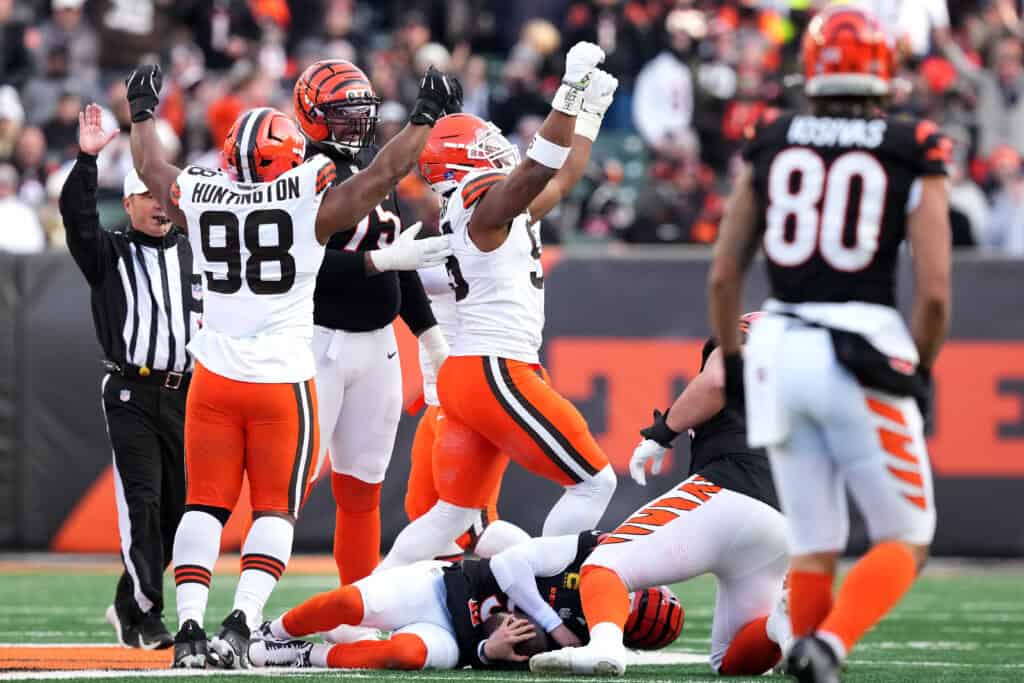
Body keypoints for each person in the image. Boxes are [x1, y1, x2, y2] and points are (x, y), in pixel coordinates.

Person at [123, 61, 457, 669]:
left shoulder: (199, 193)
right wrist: (426, 117)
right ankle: (243, 623)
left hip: (217, 376)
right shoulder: (308, 197)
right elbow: (388, 171)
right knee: (275, 507)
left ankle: (192, 628)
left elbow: (150, 168)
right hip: (283, 376)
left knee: (205, 504)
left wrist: (142, 112)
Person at [706, 7, 950, 681]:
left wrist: (732, 363)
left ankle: (807, 651)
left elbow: (726, 274)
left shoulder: (773, 136)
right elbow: (933, 291)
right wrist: (921, 370)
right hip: (858, 344)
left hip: (778, 347)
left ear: (811, 71)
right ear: (884, 73)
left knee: (812, 541)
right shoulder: (912, 142)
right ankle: (830, 644)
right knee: (908, 535)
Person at [377, 43, 622, 571]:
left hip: (472, 373)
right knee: (595, 481)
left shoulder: (490, 207)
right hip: (495, 368)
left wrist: (590, 115)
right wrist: (570, 91)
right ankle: (553, 591)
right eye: (485, 143)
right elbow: (538, 170)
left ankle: (365, 601)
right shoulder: (484, 205)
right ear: (465, 157)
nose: (496, 147)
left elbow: (559, 178)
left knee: (452, 517)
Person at [530, 314, 790, 677]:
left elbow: (717, 379)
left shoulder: (749, 330)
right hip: (784, 516)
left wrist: (663, 432)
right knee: (731, 661)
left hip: (731, 484)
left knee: (604, 565)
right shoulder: (817, 370)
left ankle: (605, 648)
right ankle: (779, 624)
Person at [291, 59, 454, 585]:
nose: (355, 124)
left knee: (363, 488)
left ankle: (354, 609)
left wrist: (431, 340)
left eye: (361, 112)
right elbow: (303, 263)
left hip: (378, 346)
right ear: (313, 116)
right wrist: (374, 264)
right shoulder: (300, 176)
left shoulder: (371, 171)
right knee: (289, 484)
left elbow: (398, 259)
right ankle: (246, 608)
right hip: (319, 342)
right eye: (343, 114)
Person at [59, 103, 200, 650]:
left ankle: (128, 605)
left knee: (179, 513)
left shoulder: (194, 252)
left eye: (165, 197)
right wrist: (87, 159)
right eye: (148, 197)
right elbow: (77, 219)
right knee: (142, 502)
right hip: (132, 391)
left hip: (188, 395)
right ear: (129, 202)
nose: (160, 207)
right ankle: (150, 615)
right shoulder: (110, 253)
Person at [247, 531, 682, 671]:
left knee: (404, 653)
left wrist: (489, 652)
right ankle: (272, 629)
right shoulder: (592, 554)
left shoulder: (587, 649)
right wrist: (553, 624)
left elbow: (505, 660)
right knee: (347, 603)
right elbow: (509, 565)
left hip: (457, 640)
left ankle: (304, 654)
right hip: (444, 586)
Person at [402, 262, 532, 564]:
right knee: (423, 510)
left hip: (468, 397)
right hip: (439, 399)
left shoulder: (478, 239)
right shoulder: (454, 234)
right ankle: (451, 596)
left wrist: (383, 260)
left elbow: (422, 274)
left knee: (475, 525)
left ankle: (548, 576)